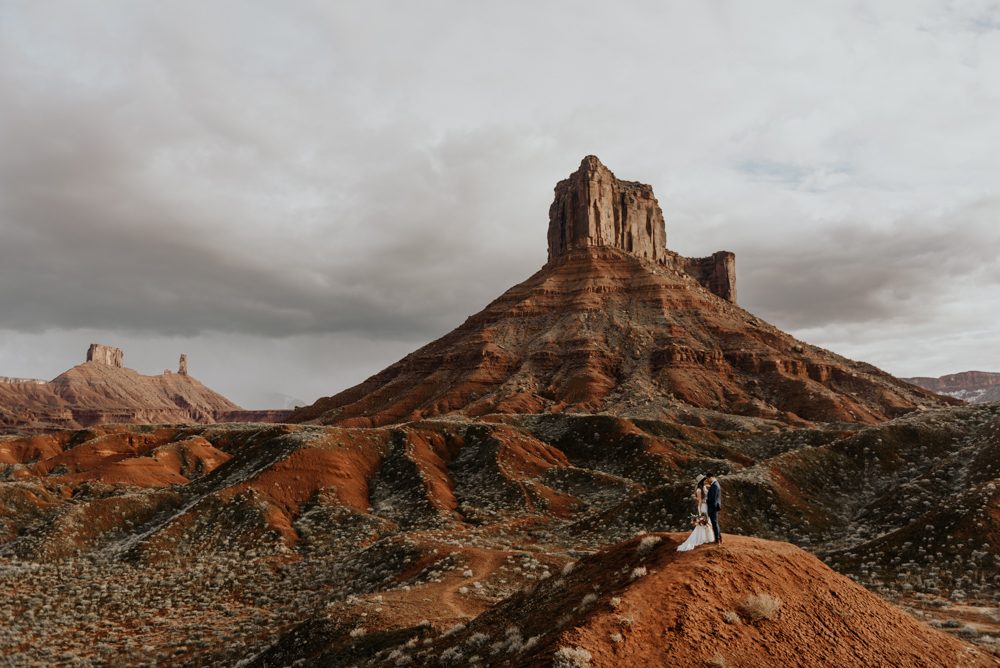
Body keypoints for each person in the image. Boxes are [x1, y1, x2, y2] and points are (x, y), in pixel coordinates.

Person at [676, 474, 715, 551]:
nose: (706, 481)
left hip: (706, 506)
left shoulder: (704, 487)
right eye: (704, 480)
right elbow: (700, 500)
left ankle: (707, 537)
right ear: (701, 481)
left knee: (707, 520)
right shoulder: (699, 490)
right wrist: (700, 510)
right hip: (703, 507)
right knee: (704, 521)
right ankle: (702, 538)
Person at [706, 475, 722, 544]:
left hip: (713, 506)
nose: (708, 480)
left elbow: (713, 498)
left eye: (708, 479)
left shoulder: (715, 485)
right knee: (715, 523)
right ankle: (719, 538)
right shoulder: (715, 484)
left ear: (711, 477)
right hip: (714, 506)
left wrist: (706, 501)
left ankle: (718, 538)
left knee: (714, 523)